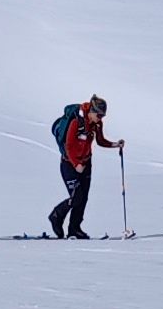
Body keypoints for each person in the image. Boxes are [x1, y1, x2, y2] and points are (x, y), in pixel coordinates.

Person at [49, 96, 121, 238]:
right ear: (92, 111)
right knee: (76, 196)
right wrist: (76, 164)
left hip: (86, 163)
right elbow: (68, 145)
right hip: (69, 164)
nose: (100, 118)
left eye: (103, 116)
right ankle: (56, 215)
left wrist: (115, 144)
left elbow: (100, 140)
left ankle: (74, 229)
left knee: (84, 198)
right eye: (99, 115)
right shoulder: (77, 121)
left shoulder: (96, 124)